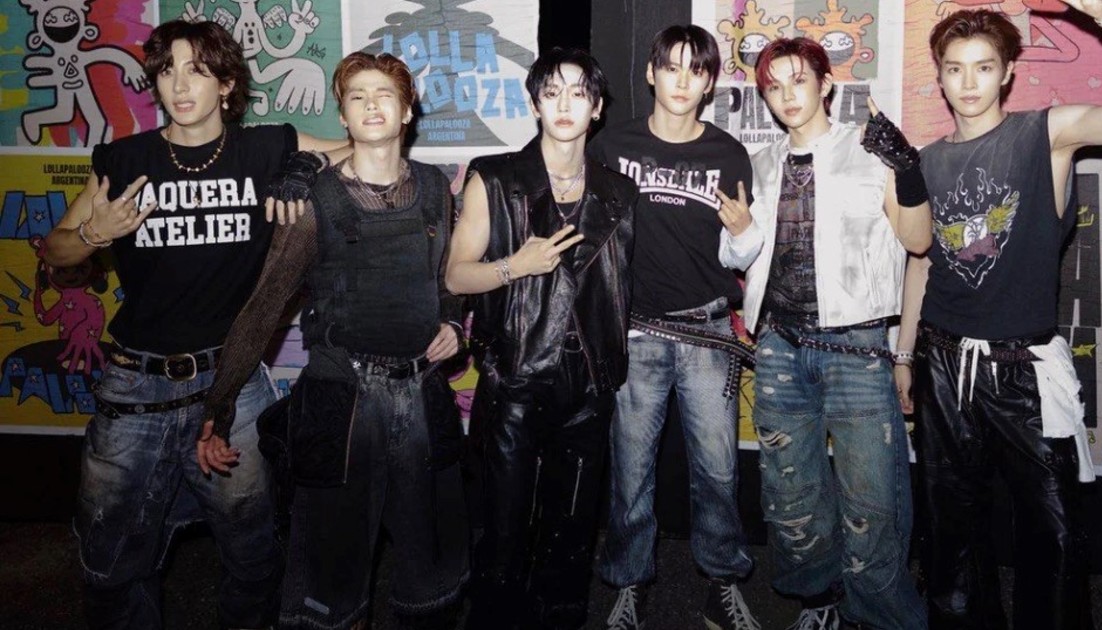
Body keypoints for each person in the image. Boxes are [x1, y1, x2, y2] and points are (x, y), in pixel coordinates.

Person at [896, 3, 1102, 628]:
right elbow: (922, 264)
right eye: (955, 68)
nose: (968, 82)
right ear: (939, 76)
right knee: (950, 533)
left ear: (1007, 73)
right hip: (942, 362)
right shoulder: (926, 159)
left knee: (1053, 533)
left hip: (1024, 369)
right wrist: (904, 353)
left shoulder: (1045, 133)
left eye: (983, 67)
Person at [44, 19, 343, 630]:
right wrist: (96, 232)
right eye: (166, 71)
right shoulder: (127, 159)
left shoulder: (265, 148)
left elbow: (366, 147)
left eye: (197, 70)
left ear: (227, 84)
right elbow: (55, 251)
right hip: (135, 386)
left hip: (232, 384)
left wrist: (304, 166)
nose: (179, 85)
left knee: (254, 552)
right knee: (111, 560)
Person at [199, 51, 470, 630]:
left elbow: (445, 278)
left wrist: (451, 323)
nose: (372, 105)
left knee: (432, 567)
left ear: (407, 111)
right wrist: (219, 406)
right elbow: (263, 307)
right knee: (330, 576)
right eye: (357, 96)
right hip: (343, 398)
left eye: (384, 94)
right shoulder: (313, 200)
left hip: (421, 394)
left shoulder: (433, 187)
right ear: (343, 116)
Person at [720, 36, 932, 630]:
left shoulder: (870, 154)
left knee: (873, 499)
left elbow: (918, 241)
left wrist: (908, 168)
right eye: (774, 86)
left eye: (799, 80)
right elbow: (740, 256)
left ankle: (881, 616)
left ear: (826, 84)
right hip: (778, 349)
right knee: (791, 495)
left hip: (856, 349)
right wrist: (740, 231)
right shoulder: (757, 164)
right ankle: (820, 605)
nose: (788, 95)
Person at [445, 47, 638, 629]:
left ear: (597, 108)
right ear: (534, 105)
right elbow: (456, 275)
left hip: (589, 387)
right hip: (516, 379)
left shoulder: (619, 192)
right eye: (551, 93)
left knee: (571, 531)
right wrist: (515, 267)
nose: (564, 104)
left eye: (578, 93)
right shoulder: (496, 178)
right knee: (503, 529)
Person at [589, 25, 759, 630]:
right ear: (650, 73)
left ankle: (722, 580)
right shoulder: (611, 146)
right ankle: (628, 581)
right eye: (672, 67)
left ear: (710, 82)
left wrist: (744, 234)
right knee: (631, 469)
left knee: (718, 470)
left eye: (697, 69)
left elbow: (740, 255)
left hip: (707, 332)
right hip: (636, 332)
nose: (683, 81)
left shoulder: (728, 154)